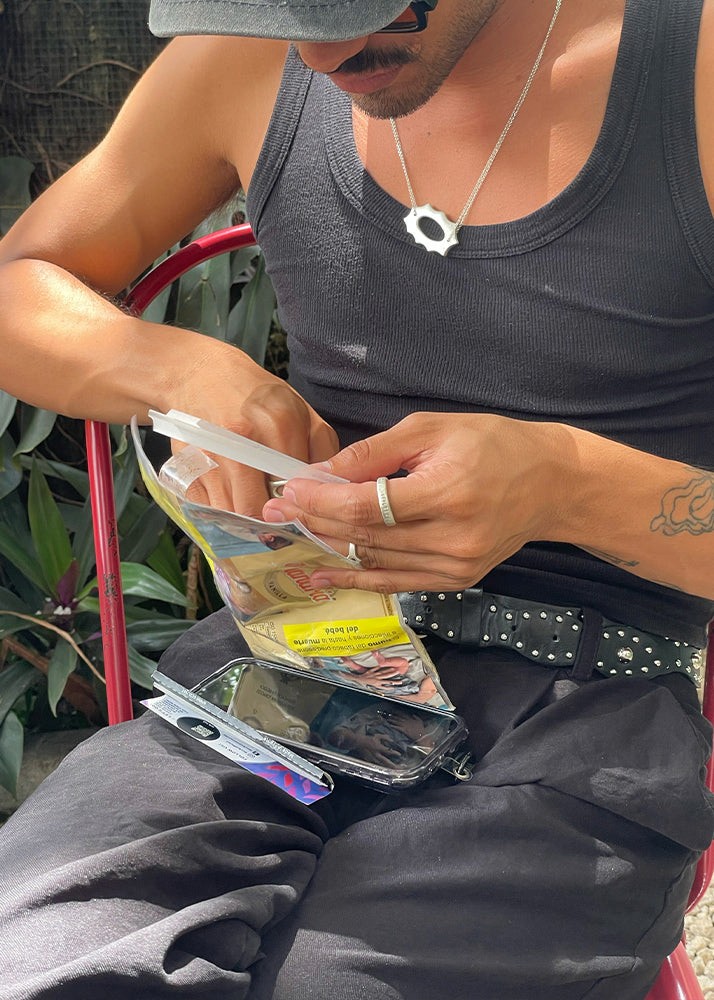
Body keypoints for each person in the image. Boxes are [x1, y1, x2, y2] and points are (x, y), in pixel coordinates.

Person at [0, 0, 713, 996]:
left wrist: (566, 486)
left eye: (380, 5)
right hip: (283, 668)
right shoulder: (245, 62)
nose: (325, 49)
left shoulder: (688, 71)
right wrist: (187, 376)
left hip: (587, 714)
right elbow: (21, 283)